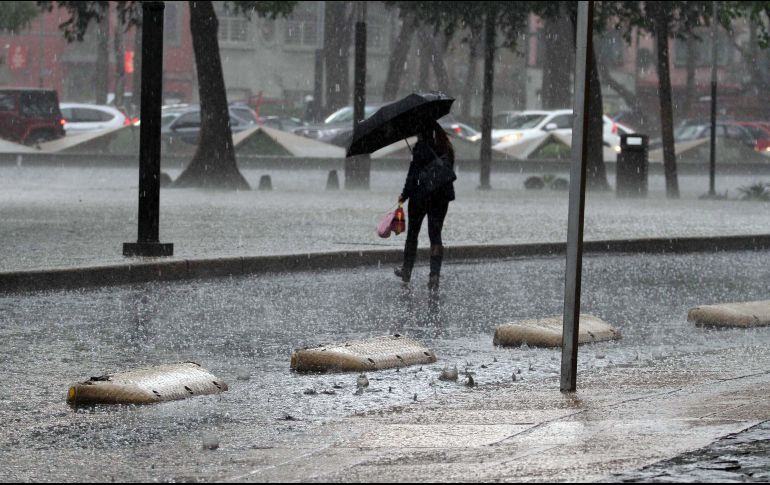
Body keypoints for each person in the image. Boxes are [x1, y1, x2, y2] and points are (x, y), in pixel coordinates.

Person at [395, 122, 455, 290]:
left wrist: (404, 195)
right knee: (435, 235)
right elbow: (446, 172)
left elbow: (412, 176)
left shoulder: (420, 147)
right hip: (441, 197)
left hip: (420, 196)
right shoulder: (446, 147)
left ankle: (407, 271)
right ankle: (434, 275)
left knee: (412, 234)